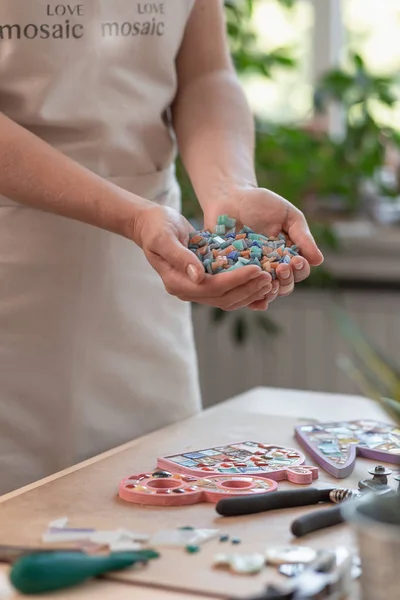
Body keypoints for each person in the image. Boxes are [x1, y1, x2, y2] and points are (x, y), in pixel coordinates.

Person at [0, 0, 323, 493]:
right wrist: (132, 216)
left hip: (147, 269)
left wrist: (228, 190)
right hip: (16, 258)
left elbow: (205, 75)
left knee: (156, 493)